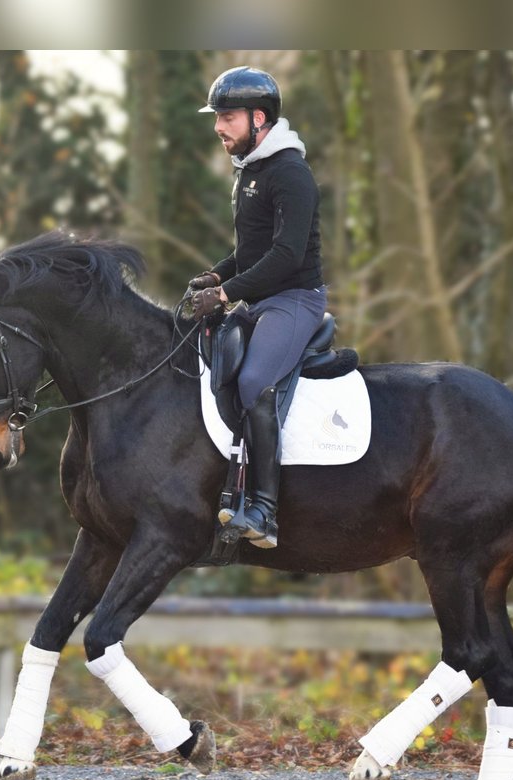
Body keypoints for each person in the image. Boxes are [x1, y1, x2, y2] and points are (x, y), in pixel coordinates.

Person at [189, 65, 326, 550]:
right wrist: (216, 275)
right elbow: (250, 254)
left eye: (227, 117)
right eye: (217, 117)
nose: (218, 127)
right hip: (262, 298)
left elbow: (286, 257)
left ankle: (265, 509)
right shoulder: (251, 171)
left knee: (252, 381)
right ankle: (230, 484)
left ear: (259, 118)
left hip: (295, 300)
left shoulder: (289, 172)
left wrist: (225, 294)